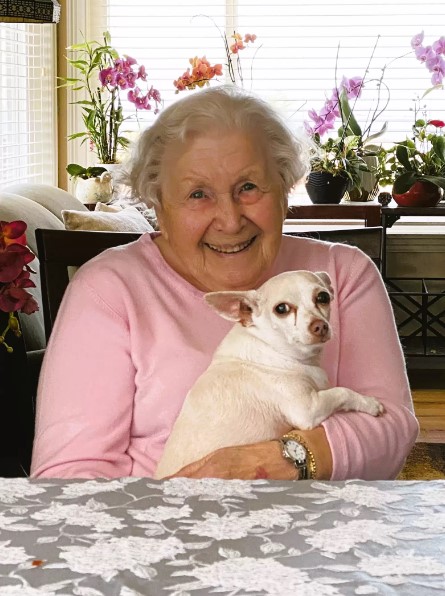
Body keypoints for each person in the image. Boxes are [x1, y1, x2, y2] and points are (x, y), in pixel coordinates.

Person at [31, 85, 418, 480]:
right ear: (157, 204)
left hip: (323, 530)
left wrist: (287, 459)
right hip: (167, 528)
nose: (230, 221)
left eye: (248, 187)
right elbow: (68, 476)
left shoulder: (343, 274)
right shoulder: (109, 291)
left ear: (285, 189)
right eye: (198, 194)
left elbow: (391, 426)